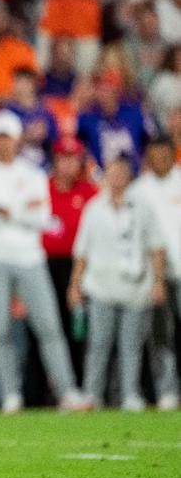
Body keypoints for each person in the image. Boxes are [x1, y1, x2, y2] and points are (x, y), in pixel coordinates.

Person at [0, 110, 89, 414]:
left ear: (17, 139)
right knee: (0, 329)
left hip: (29, 257)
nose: (4, 144)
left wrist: (7, 212)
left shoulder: (32, 174)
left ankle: (66, 390)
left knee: (49, 325)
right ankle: (10, 394)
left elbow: (41, 218)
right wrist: (21, 212)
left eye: (9, 137)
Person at [69, 154, 167, 411]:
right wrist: (74, 285)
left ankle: (130, 394)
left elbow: (156, 247)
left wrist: (158, 281)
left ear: (129, 176)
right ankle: (92, 393)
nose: (117, 178)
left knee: (131, 346)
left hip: (135, 286)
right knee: (99, 344)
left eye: (122, 173)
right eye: (112, 173)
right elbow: (82, 251)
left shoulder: (142, 207)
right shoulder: (94, 208)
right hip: (101, 285)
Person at [131, 136, 181, 411]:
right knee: (160, 336)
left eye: (165, 156)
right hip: (154, 276)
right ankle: (167, 390)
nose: (160, 161)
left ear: (173, 155)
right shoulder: (139, 190)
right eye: (155, 156)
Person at [41, 137, 96, 385]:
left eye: (73, 159)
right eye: (63, 158)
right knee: (45, 328)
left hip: (78, 267)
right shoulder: (42, 189)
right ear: (55, 160)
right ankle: (42, 391)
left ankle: (79, 384)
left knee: (78, 329)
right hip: (45, 266)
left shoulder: (90, 192)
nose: (67, 164)